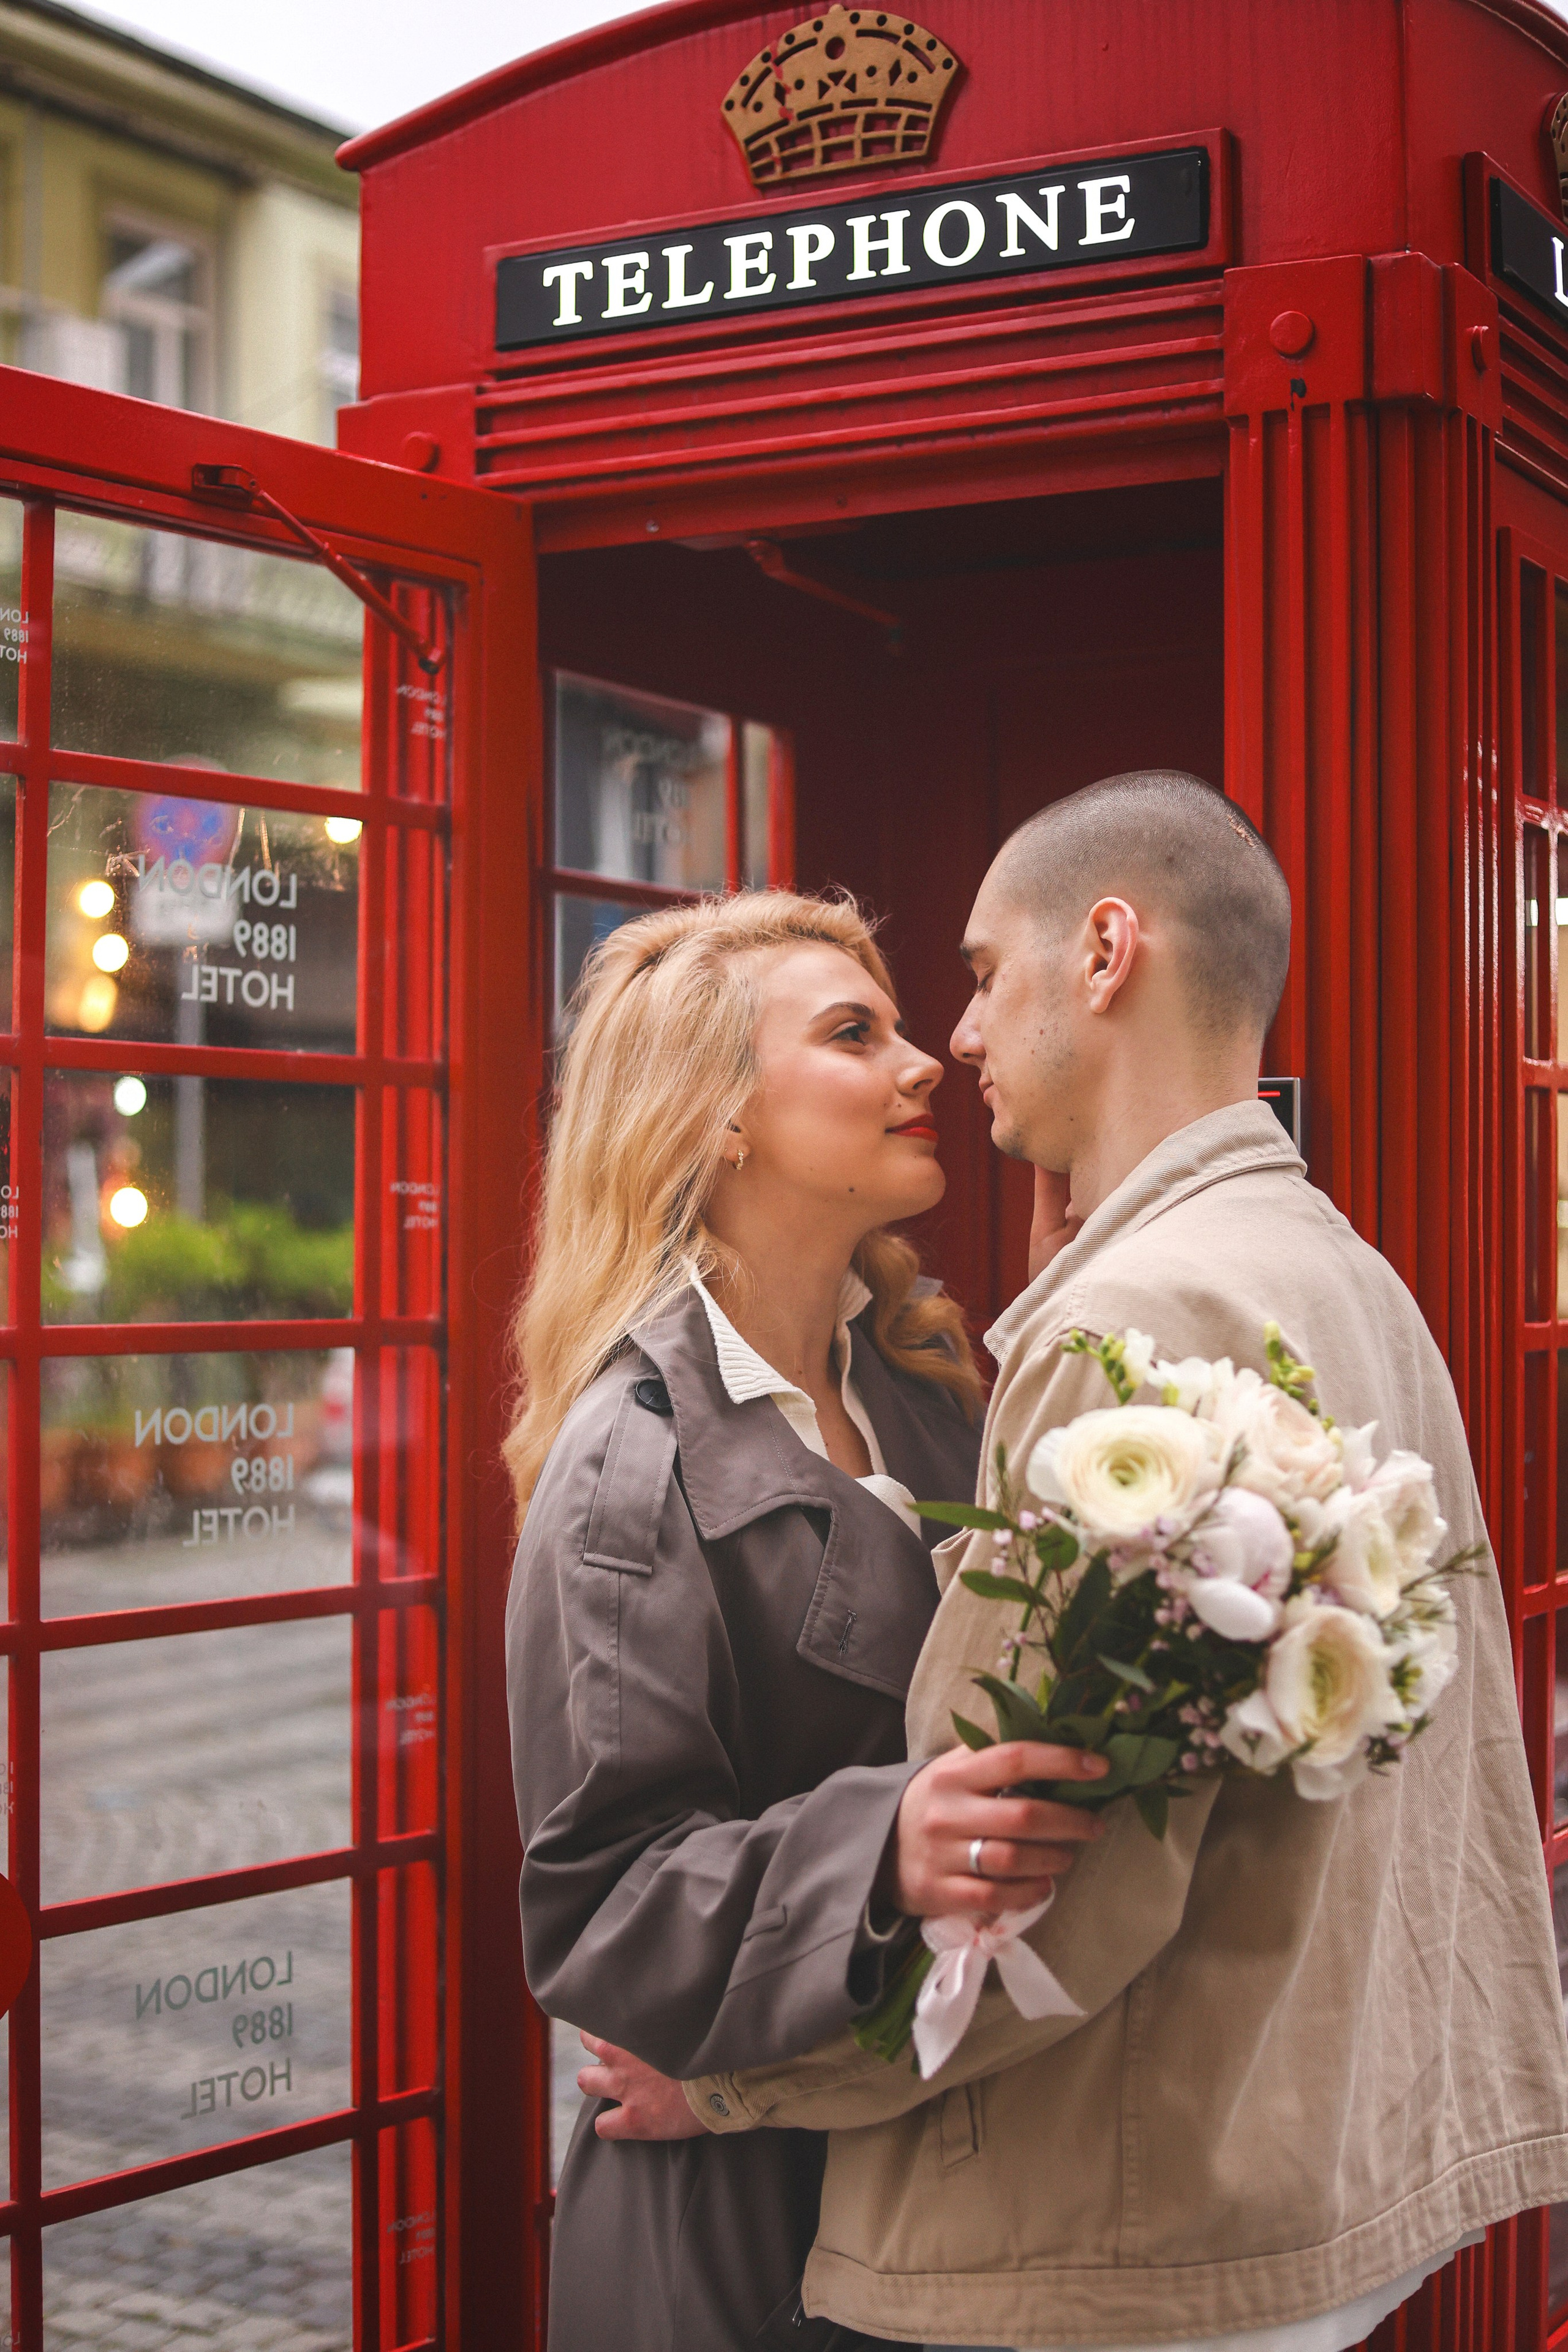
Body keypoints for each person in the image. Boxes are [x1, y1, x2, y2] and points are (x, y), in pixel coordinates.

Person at [643, 775, 1568, 2352]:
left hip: (1098, 2235)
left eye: (987, 971)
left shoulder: (1118, 1322)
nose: (965, 1036)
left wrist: (731, 2081)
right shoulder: (1347, 1271)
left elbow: (1044, 1877)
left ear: (1106, 950)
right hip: (1324, 2163)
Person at [503, 890, 1108, 2352]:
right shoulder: (626, 1465)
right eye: (855, 1035)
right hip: (734, 2220)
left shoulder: (917, 1381)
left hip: (941, 2162)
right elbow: (603, 1907)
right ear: (717, 1120)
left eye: (901, 1026)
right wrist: (881, 1844)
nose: (926, 1063)